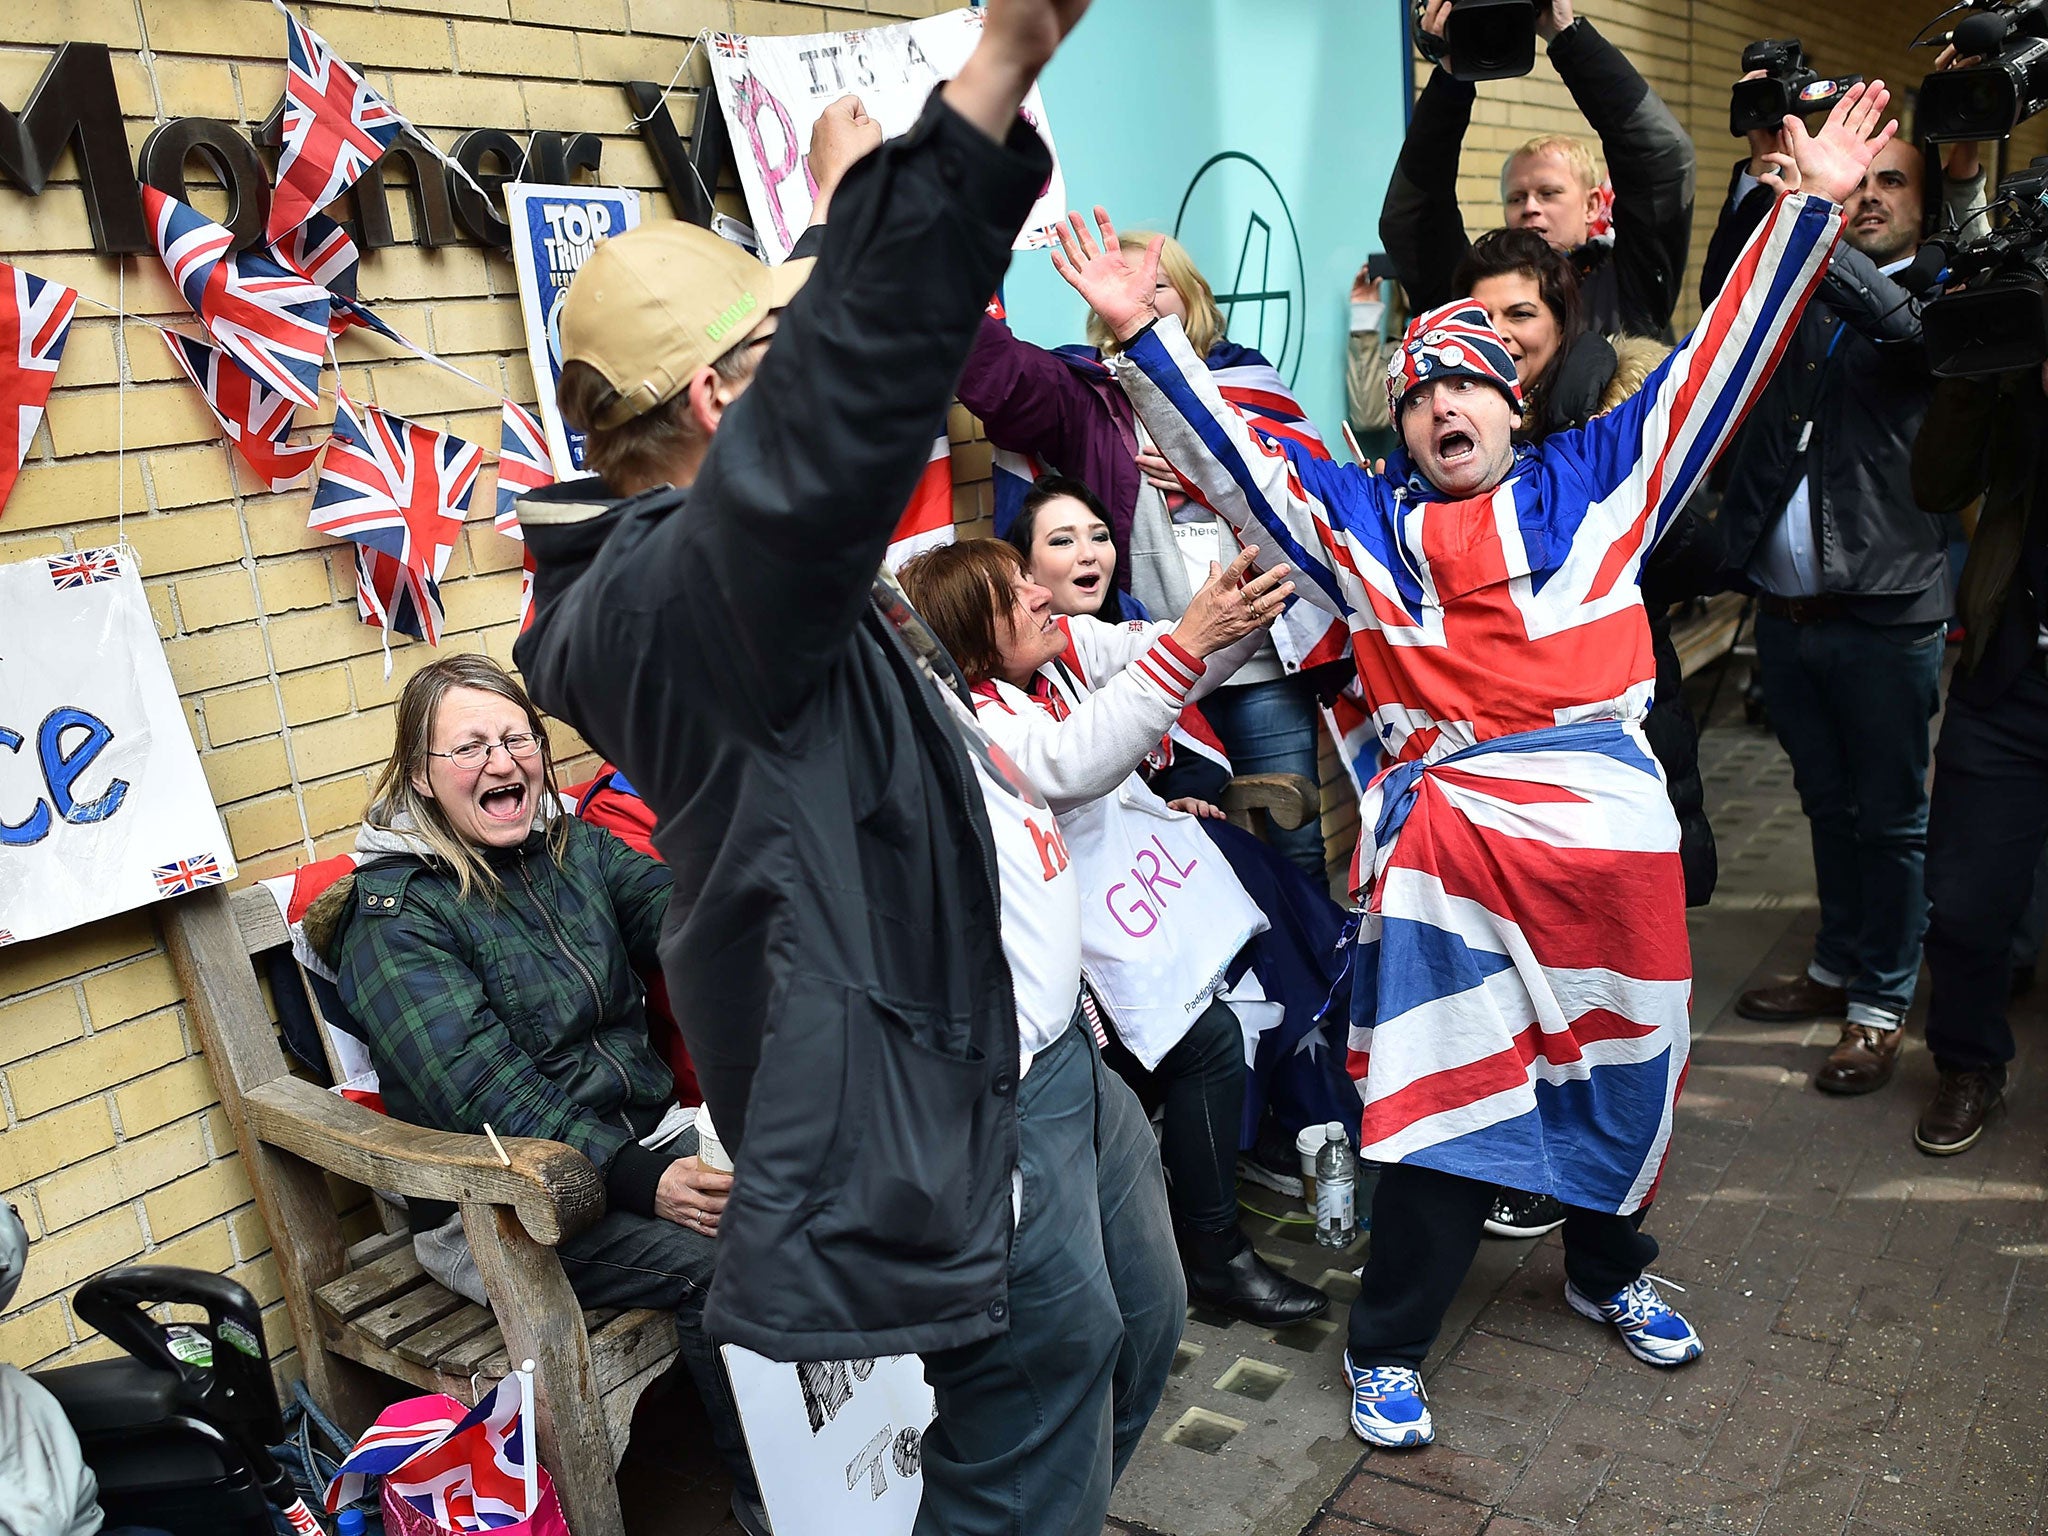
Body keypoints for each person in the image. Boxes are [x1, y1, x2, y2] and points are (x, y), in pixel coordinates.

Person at [1053, 82, 1897, 1448]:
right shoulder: (1362, 525)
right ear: (1402, 418)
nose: (1445, 402)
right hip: (1449, 867)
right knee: (1443, 1112)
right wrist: (1143, 329)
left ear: (1513, 406)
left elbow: (1722, 364)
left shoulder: (1605, 480)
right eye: (1421, 387)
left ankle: (1606, 1272)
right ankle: (1387, 1347)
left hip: (1612, 868)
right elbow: (1227, 459)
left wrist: (1808, 209)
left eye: (1469, 383)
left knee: (1623, 1077)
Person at [509, 5, 1189, 1529]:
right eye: (771, 355)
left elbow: (812, 385)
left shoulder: (706, 555)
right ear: (718, 400)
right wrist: (993, 76)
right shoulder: (689, 598)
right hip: (954, 1082)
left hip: (1036, 1036)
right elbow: (839, 404)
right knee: (1032, 1397)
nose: (800, 362)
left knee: (1127, 1331)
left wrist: (833, 224)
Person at [314, 655, 765, 1534]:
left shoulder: (569, 844)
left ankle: (861, 1456)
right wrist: (640, 1179)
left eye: (517, 737)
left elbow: (679, 919)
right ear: (420, 776)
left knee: (814, 1182)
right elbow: (481, 1094)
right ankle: (776, 1501)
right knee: (730, 1262)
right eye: (470, 745)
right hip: (501, 1209)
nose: (502, 760)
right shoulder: (395, 915)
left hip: (640, 1142)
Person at [899, 537, 1330, 1327]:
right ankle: (1201, 1260)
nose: (1039, 593)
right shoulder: (975, 719)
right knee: (1193, 1052)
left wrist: (1232, 619)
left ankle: (1185, 1254)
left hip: (1114, 935)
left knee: (1194, 1052)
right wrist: (1193, 639)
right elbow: (1067, 761)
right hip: (1043, 989)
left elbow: (1165, 663)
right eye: (1014, 591)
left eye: (1031, 578)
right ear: (967, 634)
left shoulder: (1061, 649)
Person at [1449, 227, 1723, 1244]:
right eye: (1477, 318)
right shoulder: (1438, 437)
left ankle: (1605, 1227)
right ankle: (1529, 1172)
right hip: (1490, 802)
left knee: (1615, 1007)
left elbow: (1697, 519)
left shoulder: (1611, 424)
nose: (1500, 336)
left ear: (1562, 323)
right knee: (1509, 1001)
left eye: (1520, 313)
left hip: (1614, 729)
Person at [955, 227, 1345, 880]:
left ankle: (1311, 971)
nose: (1141, 295)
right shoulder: (1092, 397)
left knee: (1295, 845)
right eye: (1122, 283)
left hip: (1259, 656)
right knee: (1181, 843)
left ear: (1193, 300)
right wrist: (962, 259)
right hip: (1147, 657)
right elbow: (1001, 382)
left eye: (1157, 284)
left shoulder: (1252, 385)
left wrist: (1205, 465)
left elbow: (1306, 495)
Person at [1708, 87, 1951, 1098]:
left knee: (1889, 821)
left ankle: (1878, 1003)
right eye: (1857, 181)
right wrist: (1770, 191)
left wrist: (1808, 224)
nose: (1868, 196)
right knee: (1823, 804)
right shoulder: (1796, 290)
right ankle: (1832, 964)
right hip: (1788, 614)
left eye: (1888, 181)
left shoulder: (1938, 294)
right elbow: (1727, 291)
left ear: (1921, 204)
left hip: (1886, 613)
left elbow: (1902, 333)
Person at [1908, 361, 2048, 1154]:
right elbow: (1935, 482)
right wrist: (1980, 376)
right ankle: (1969, 1064)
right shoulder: (2013, 372)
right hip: (2012, 680)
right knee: (1962, 902)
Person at [1380, 0, 1695, 339]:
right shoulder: (1476, 292)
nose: (1530, 208)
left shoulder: (1631, 283)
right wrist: (1452, 78)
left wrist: (1566, 37)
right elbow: (1413, 222)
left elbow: (1660, 158)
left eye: (1549, 193)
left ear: (1591, 205)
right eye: (1516, 198)